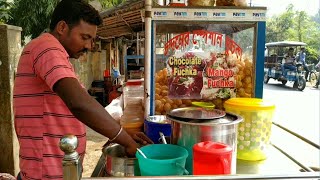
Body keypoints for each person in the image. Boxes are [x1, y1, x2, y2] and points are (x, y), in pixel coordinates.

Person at [13, 0, 152, 179]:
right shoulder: (46, 47)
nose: (89, 46)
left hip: (59, 168)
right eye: (85, 37)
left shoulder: (55, 54)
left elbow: (82, 107)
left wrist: (122, 133)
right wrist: (125, 140)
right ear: (62, 27)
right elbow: (79, 104)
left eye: (92, 39)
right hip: (45, 172)